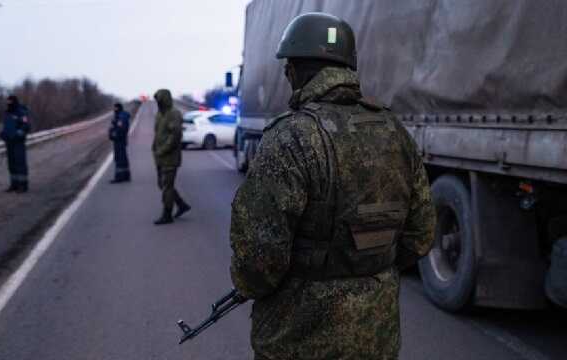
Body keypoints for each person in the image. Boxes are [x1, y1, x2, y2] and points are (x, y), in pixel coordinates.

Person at [229, 13, 435, 360]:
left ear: (293, 70)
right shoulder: (394, 131)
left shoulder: (290, 137)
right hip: (376, 336)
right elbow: (421, 235)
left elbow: (259, 263)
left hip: (298, 340)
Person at [152, 89, 191, 225]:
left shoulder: (174, 114)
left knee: (167, 187)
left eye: (160, 100)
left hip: (170, 157)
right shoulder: (160, 114)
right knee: (162, 184)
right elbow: (158, 133)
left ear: (165, 99)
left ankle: (167, 214)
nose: (158, 102)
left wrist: (162, 149)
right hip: (159, 156)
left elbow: (175, 136)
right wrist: (155, 148)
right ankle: (181, 205)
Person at [0, 95, 31, 193]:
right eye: (7, 102)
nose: (9, 104)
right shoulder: (7, 113)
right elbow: (6, 126)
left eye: (10, 102)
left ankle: (23, 185)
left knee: (20, 163)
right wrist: (3, 134)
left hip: (18, 142)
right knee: (11, 164)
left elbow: (26, 126)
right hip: (9, 142)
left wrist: (19, 134)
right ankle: (14, 184)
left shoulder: (21, 112)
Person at [109, 103, 132, 183]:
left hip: (119, 140)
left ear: (118, 108)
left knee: (119, 158)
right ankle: (126, 176)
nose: (114, 109)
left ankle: (119, 177)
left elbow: (120, 129)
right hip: (121, 140)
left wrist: (113, 134)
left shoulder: (121, 117)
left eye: (115, 108)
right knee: (123, 158)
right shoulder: (121, 116)